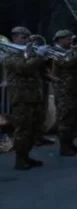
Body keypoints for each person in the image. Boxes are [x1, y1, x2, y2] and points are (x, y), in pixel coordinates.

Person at [4, 26, 49, 170]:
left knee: (34, 128)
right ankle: (20, 159)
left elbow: (38, 71)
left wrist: (41, 58)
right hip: (21, 97)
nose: (27, 40)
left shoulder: (28, 53)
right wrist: (38, 57)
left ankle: (26, 155)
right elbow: (24, 69)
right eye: (23, 37)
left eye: (28, 37)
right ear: (15, 38)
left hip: (34, 96)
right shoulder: (10, 55)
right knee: (23, 129)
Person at [51, 29, 77, 156]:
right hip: (64, 90)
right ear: (59, 40)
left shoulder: (72, 51)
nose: (71, 41)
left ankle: (71, 142)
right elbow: (67, 63)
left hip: (76, 88)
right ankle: (64, 146)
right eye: (68, 39)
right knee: (65, 118)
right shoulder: (55, 52)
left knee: (75, 118)